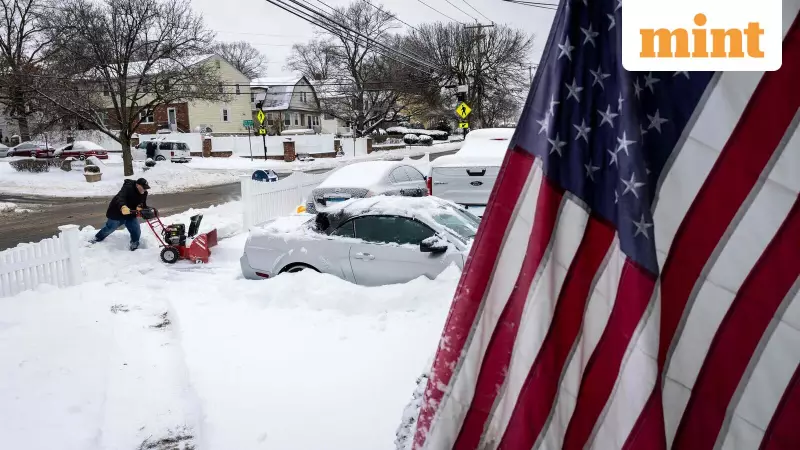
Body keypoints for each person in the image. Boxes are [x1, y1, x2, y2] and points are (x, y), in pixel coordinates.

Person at [91, 178, 150, 250]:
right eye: (143, 188)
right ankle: (97, 238)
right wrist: (123, 207)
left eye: (146, 188)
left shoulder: (144, 193)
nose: (144, 190)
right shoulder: (127, 188)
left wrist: (145, 209)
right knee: (110, 228)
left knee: (136, 229)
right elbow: (120, 198)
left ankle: (134, 243)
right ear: (137, 185)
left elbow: (143, 204)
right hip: (117, 212)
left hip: (130, 213)